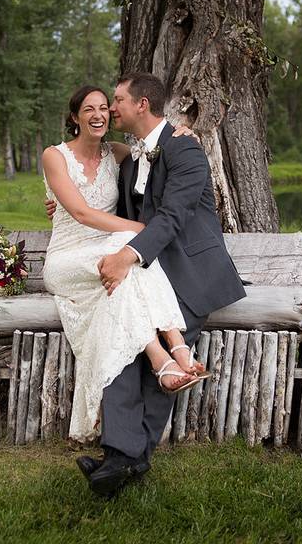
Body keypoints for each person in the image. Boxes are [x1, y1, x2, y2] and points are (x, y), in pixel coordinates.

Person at [46, 74, 246, 499]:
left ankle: (126, 458)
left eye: (116, 100)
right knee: (120, 335)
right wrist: (60, 207)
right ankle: (124, 458)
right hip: (145, 272)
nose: (110, 109)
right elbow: (94, 205)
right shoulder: (131, 157)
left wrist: (128, 256)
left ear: (141, 105)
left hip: (189, 273)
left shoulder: (185, 149)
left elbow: (171, 218)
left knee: (148, 359)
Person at [41, 85, 208, 462]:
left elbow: (157, 149)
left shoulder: (118, 154)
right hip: (69, 259)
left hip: (108, 260)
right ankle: (172, 349)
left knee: (126, 269)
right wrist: (141, 234)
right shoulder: (55, 156)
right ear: (74, 117)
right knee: (128, 256)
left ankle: (165, 360)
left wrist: (184, 132)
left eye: (106, 106)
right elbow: (82, 215)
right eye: (90, 109)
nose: (101, 114)